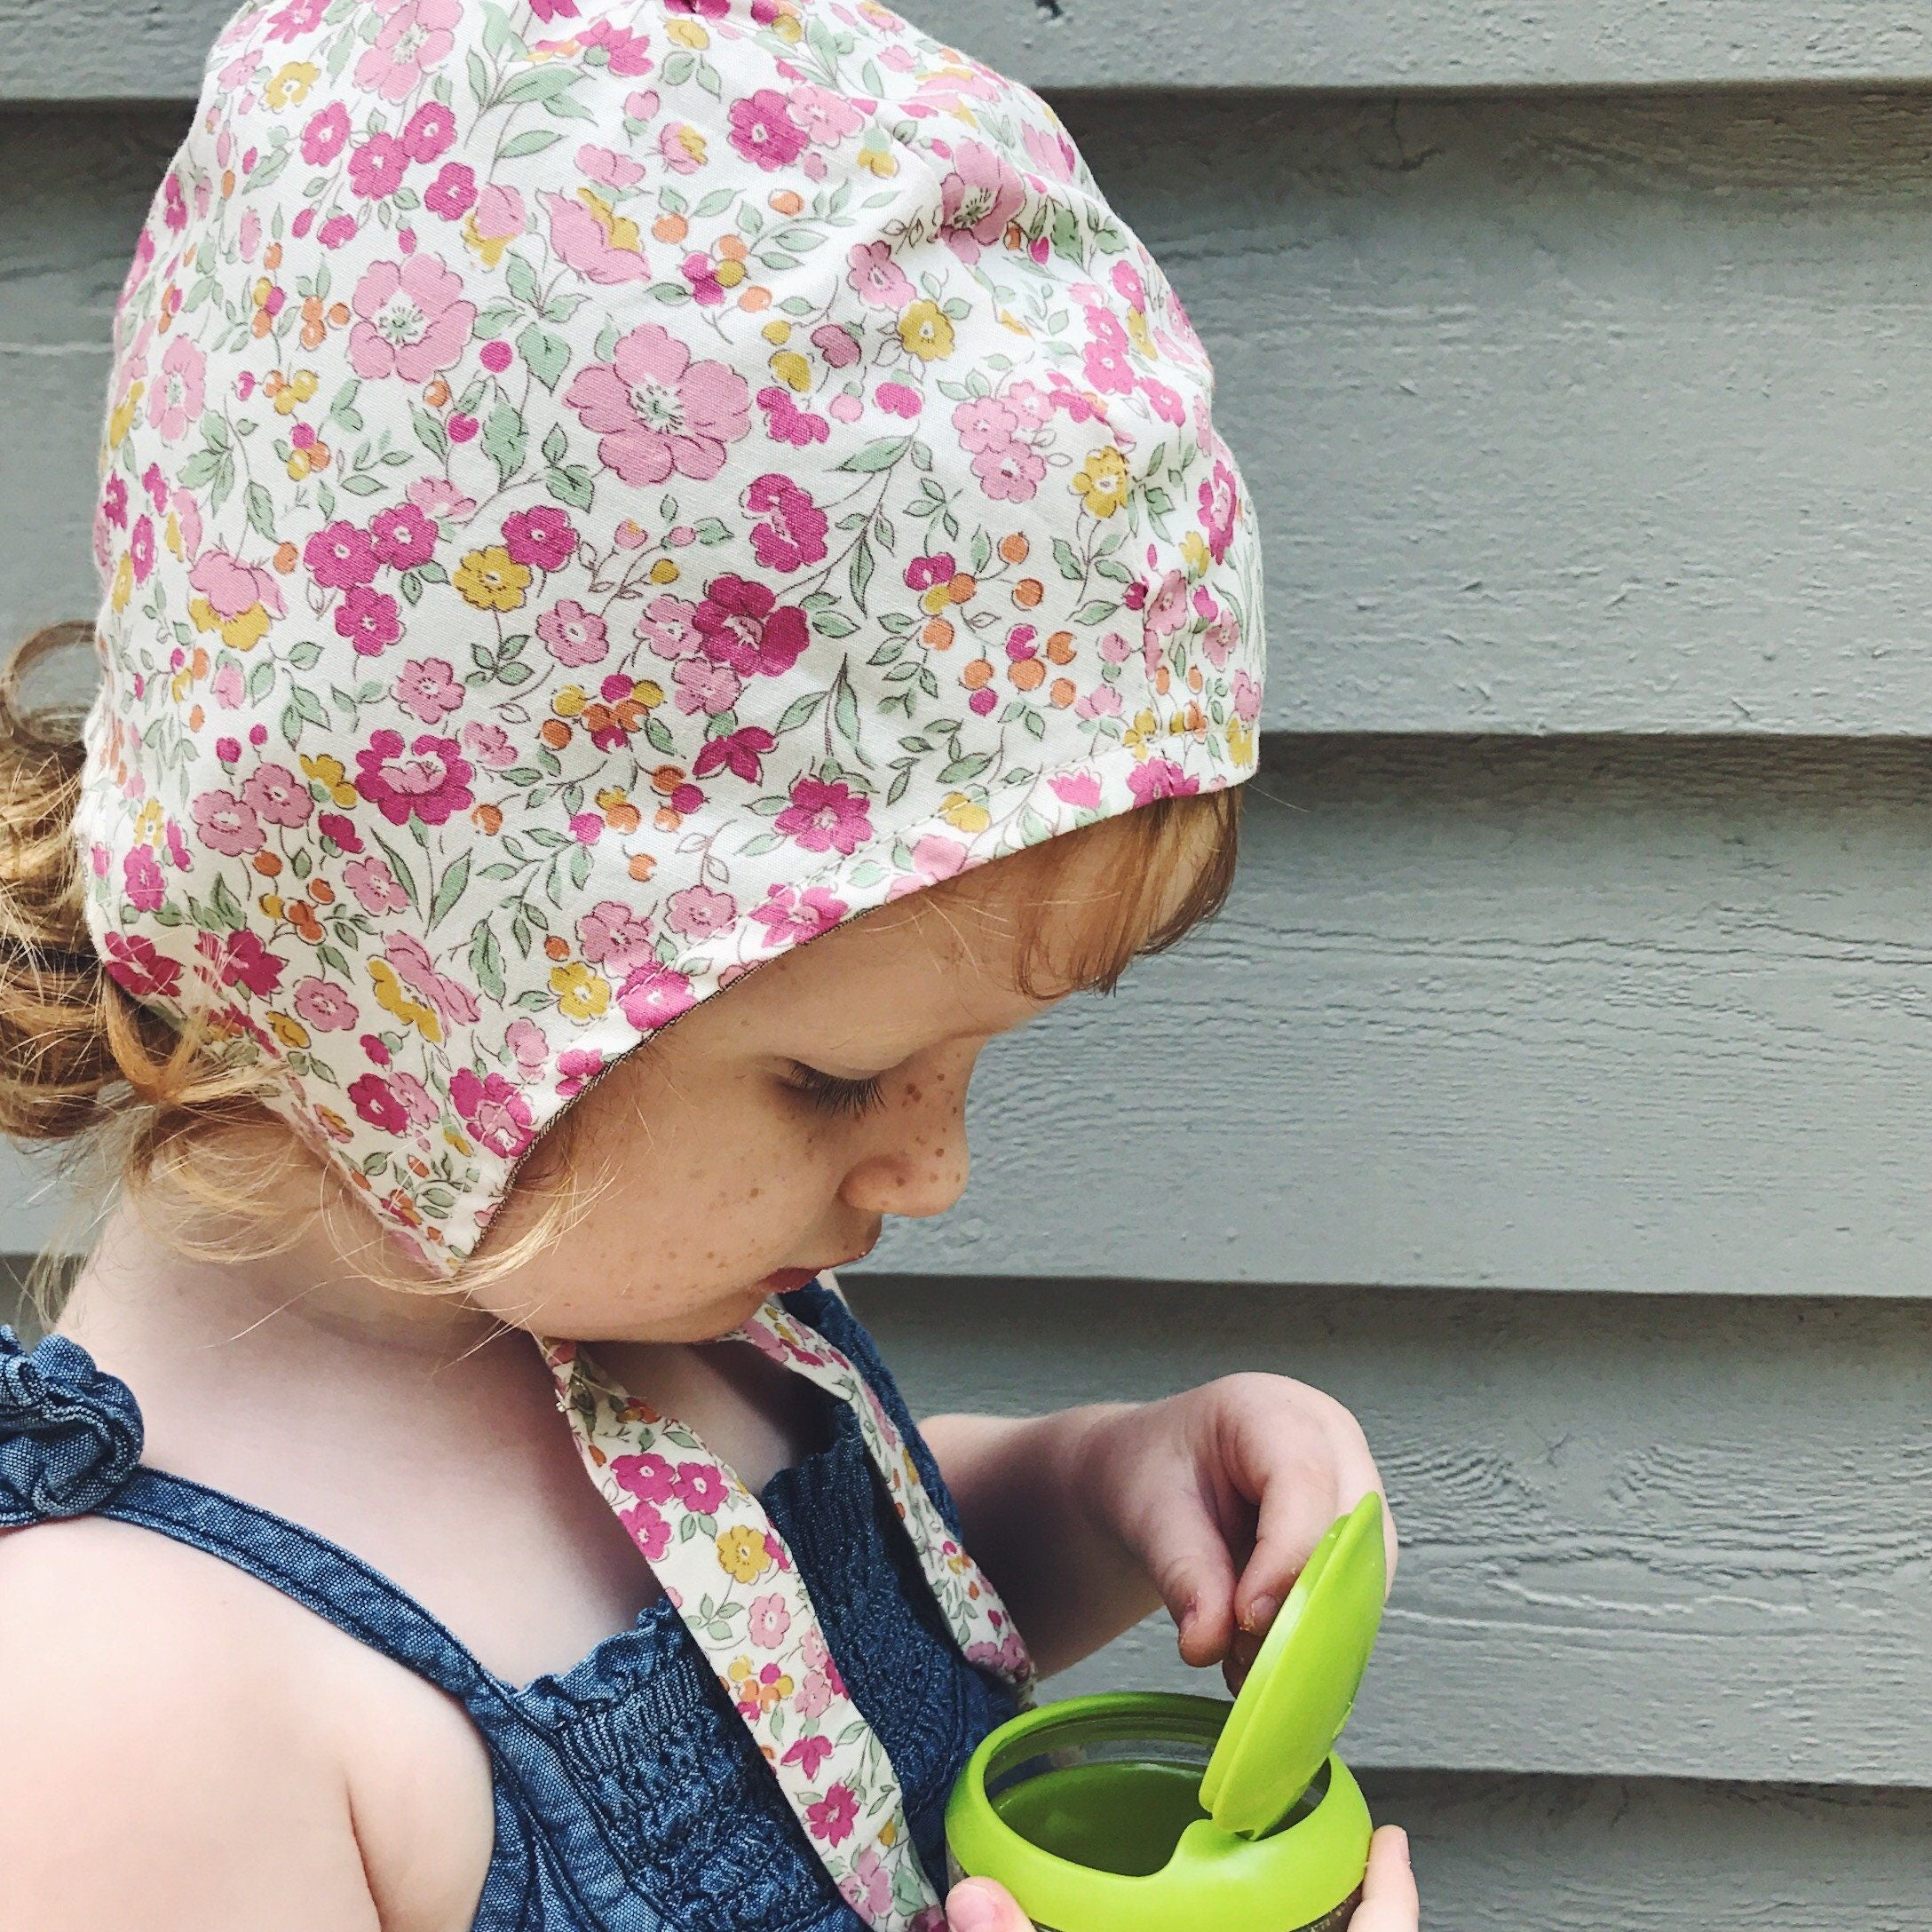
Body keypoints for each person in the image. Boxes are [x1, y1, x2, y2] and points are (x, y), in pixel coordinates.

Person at [0, 3, 1420, 1928]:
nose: (934, 1169)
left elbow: (815, 1638)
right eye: (833, 1078)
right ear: (420, 988)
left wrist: (1098, 1490)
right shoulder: (130, 1715)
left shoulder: (646, 1304)